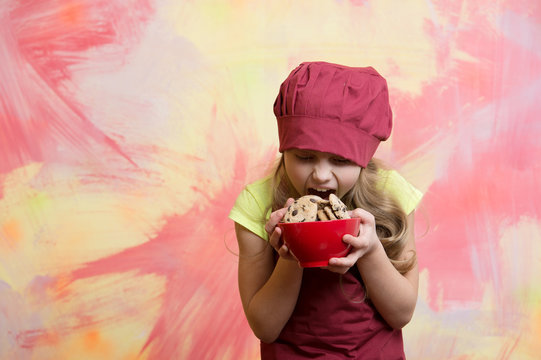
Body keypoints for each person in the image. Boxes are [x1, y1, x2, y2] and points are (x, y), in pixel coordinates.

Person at [228, 61, 423, 359]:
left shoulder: (390, 194)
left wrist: (371, 251)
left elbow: (401, 314)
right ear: (285, 150)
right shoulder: (257, 203)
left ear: (362, 159)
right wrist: (292, 254)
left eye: (341, 160)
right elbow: (265, 327)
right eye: (304, 156)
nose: (321, 175)